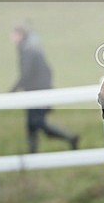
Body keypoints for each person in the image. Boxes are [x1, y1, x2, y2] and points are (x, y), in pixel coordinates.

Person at [10, 24, 79, 153]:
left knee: (38, 123)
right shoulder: (27, 50)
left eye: (14, 34)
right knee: (31, 124)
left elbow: (25, 74)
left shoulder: (28, 51)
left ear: (20, 35)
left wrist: (12, 91)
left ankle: (70, 138)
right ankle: (32, 152)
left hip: (38, 93)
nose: (12, 37)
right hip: (36, 92)